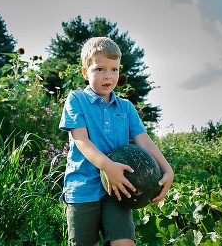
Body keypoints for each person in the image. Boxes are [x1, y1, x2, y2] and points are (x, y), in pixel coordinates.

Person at [59, 37, 174, 246]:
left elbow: (144, 142)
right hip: (83, 189)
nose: (108, 76)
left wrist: (167, 170)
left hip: (120, 189)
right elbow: (81, 140)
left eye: (114, 69)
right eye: (100, 69)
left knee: (125, 242)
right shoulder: (76, 100)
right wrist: (108, 167)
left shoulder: (126, 107)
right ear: (85, 72)